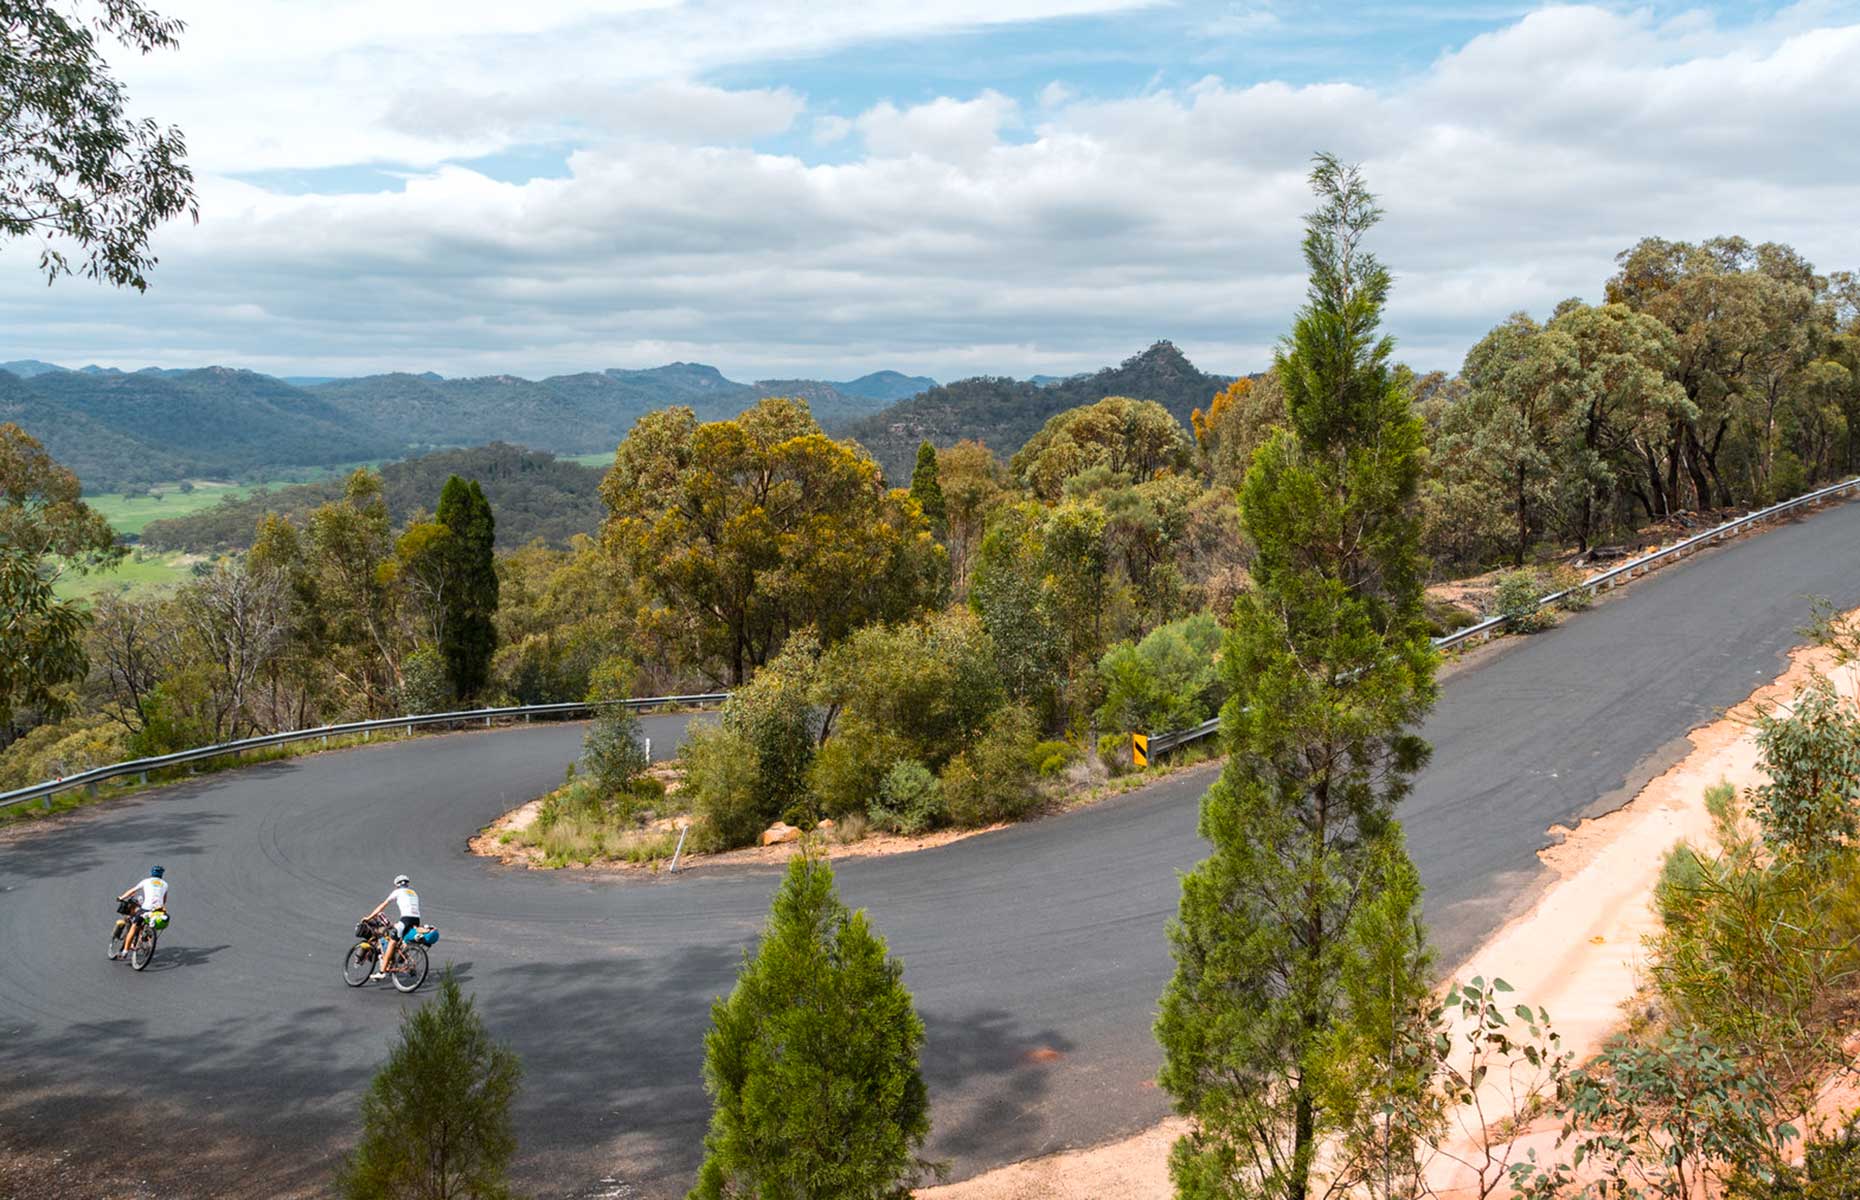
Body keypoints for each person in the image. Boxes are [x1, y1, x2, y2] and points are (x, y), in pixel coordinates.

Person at [361, 873, 421, 980]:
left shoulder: (397, 892)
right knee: (401, 939)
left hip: (406, 919)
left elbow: (382, 906)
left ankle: (382, 972)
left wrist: (369, 917)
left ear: (397, 885)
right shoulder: (413, 892)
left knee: (392, 941)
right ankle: (402, 958)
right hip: (416, 920)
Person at [112, 865, 169, 960]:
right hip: (158, 910)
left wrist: (121, 897)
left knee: (134, 926)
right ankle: (146, 936)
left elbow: (132, 891)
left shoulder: (146, 881)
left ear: (151, 873)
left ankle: (125, 952)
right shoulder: (165, 884)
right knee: (149, 922)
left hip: (146, 908)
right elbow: (164, 900)